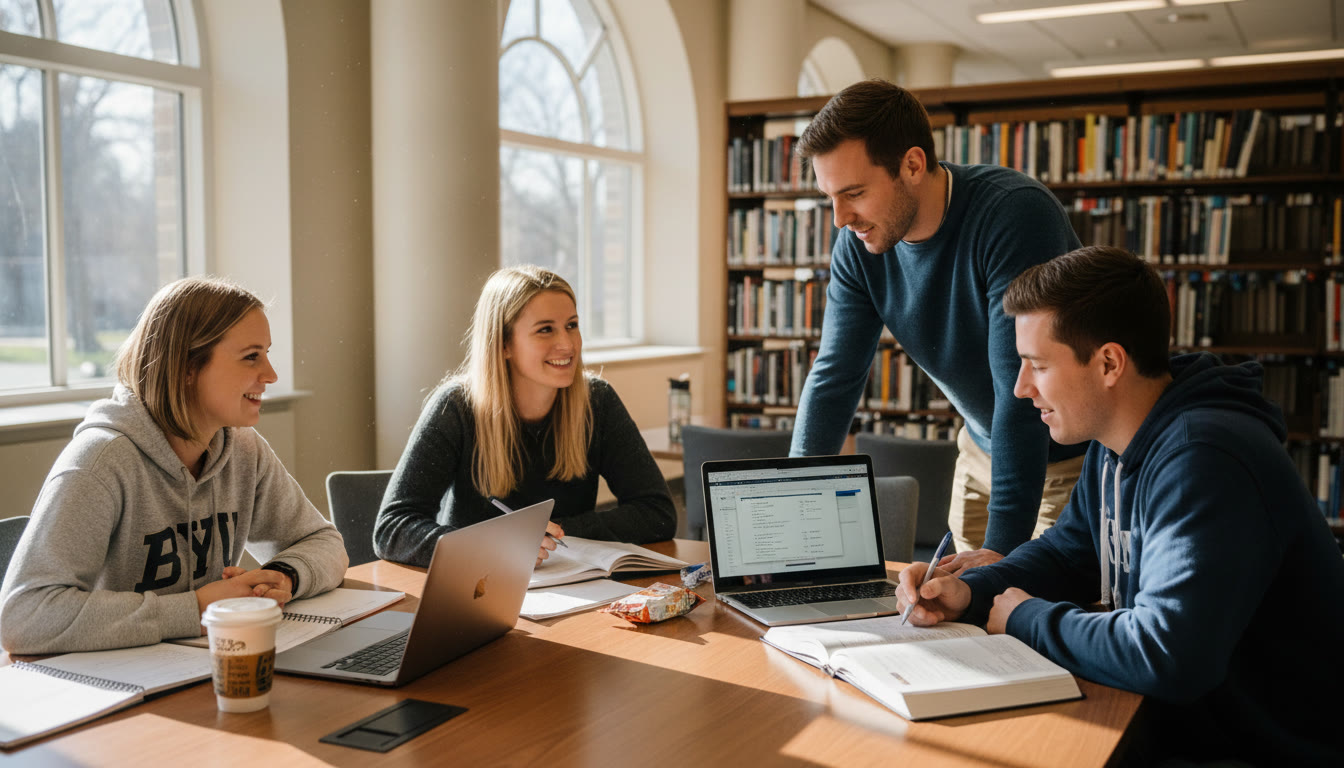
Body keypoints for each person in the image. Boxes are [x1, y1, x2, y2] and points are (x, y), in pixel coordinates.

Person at [898, 246, 1344, 765]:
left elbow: (1167, 654)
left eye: (1037, 365)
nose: (1020, 389)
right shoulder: (1114, 446)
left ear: (1109, 363)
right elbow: (1067, 555)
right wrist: (967, 593)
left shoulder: (1207, 458)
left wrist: (1025, 618)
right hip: (1177, 726)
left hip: (1263, 750)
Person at [790, 79, 1088, 573]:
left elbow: (1015, 389)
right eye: (830, 198)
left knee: (1017, 611)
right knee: (954, 619)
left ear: (911, 164)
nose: (841, 219)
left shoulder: (1012, 214)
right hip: (980, 452)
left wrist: (998, 559)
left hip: (1066, 460)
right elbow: (834, 376)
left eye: (855, 194)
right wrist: (791, 503)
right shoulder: (859, 246)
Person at [0, 278, 348, 655]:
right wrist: (195, 609)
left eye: (266, 353)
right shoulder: (100, 463)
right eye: (251, 356)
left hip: (198, 669)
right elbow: (24, 616)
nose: (271, 375)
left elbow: (324, 543)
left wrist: (285, 576)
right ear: (185, 366)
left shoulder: (244, 450)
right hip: (114, 692)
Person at [374, 266, 675, 568]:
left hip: (570, 587)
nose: (568, 345)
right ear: (504, 344)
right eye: (545, 329)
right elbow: (392, 529)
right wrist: (495, 544)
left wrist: (550, 535)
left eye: (572, 325)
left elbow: (657, 513)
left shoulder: (597, 401)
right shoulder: (455, 407)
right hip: (475, 588)